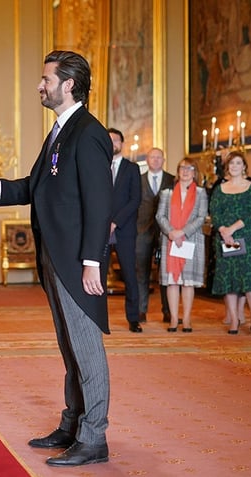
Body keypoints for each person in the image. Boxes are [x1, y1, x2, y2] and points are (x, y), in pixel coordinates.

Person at [0, 50, 112, 467]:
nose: (40, 85)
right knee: (69, 347)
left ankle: (93, 437)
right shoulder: (61, 132)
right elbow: (37, 186)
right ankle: (72, 424)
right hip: (56, 256)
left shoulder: (88, 132)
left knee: (86, 348)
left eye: (46, 79)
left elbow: (100, 203)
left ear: (68, 85)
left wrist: (93, 262)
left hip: (78, 262)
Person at [210, 151, 251, 334]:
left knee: (247, 277)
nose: (234, 166)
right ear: (227, 167)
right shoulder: (220, 189)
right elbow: (214, 212)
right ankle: (234, 320)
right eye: (231, 163)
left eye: (238, 163)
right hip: (225, 238)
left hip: (245, 237)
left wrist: (232, 229)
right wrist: (224, 230)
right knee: (229, 279)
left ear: (244, 166)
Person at [156, 157, 208, 333]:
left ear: (195, 172)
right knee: (172, 282)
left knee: (188, 282)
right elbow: (160, 216)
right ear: (178, 171)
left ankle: (186, 319)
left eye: (190, 168)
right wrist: (171, 232)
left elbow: (201, 217)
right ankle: (173, 318)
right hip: (170, 241)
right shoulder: (167, 193)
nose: (185, 171)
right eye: (182, 168)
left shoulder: (201, 193)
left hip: (191, 240)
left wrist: (183, 232)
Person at [107, 128, 141, 332]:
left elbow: (135, 200)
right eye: (108, 140)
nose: (112, 143)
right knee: (97, 276)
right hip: (99, 230)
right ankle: (99, 321)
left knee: (129, 275)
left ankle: (134, 319)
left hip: (125, 230)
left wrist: (115, 222)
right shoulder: (97, 167)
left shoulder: (132, 168)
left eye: (116, 140)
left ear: (122, 143)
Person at [136, 147, 174, 323]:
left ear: (164, 160)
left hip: (166, 233)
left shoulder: (172, 180)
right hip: (141, 232)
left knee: (166, 273)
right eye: (153, 157)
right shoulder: (138, 179)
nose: (156, 160)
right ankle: (141, 310)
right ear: (147, 160)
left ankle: (168, 311)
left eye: (159, 157)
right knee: (141, 272)